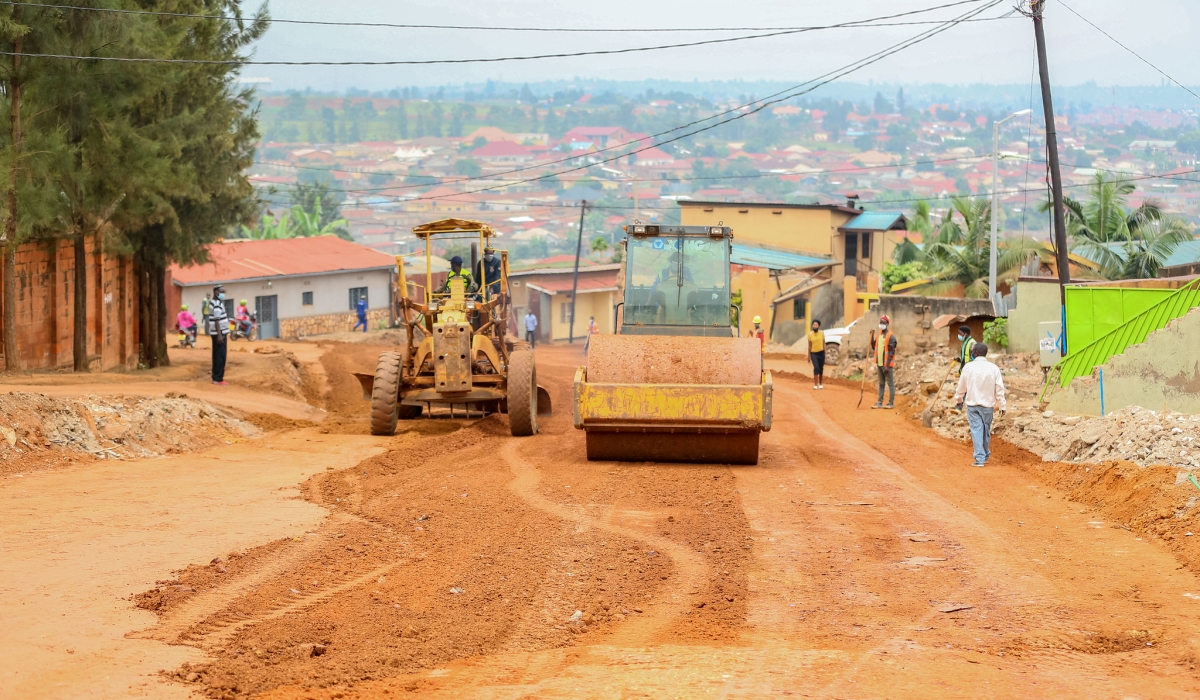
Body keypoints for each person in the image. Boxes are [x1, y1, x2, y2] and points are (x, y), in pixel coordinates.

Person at [954, 342, 1007, 467]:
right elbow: (999, 388)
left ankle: (980, 458)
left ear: (975, 353)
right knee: (985, 431)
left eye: (972, 351)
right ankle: (983, 454)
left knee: (977, 430)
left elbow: (961, 386)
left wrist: (958, 399)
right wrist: (1002, 405)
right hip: (988, 406)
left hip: (973, 405)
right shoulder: (993, 368)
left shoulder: (968, 367)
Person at [871, 314, 898, 409]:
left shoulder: (891, 336)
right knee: (881, 383)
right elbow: (874, 346)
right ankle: (879, 402)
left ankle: (891, 403)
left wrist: (887, 366)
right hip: (879, 363)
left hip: (887, 365)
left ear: (887, 324)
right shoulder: (879, 334)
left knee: (890, 383)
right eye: (880, 322)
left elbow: (891, 352)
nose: (881, 324)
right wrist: (872, 336)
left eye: (883, 323)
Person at [207, 285, 230, 385]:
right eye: (222, 291)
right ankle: (218, 379)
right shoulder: (216, 304)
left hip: (217, 333)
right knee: (220, 356)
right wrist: (220, 335)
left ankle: (216, 377)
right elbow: (217, 320)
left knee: (217, 355)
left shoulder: (215, 302)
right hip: (219, 334)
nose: (223, 293)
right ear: (216, 292)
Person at [808, 319, 826, 389]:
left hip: (821, 353)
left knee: (821, 368)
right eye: (813, 325)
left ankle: (820, 383)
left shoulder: (822, 333)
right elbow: (809, 346)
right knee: (816, 368)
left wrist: (825, 353)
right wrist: (809, 356)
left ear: (818, 326)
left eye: (816, 325)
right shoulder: (810, 334)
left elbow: (824, 343)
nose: (814, 326)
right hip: (813, 353)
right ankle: (815, 384)